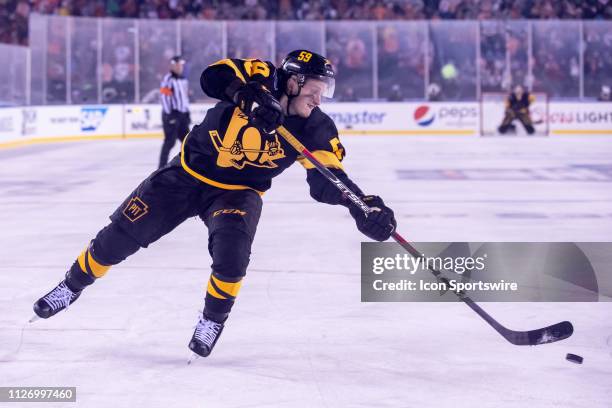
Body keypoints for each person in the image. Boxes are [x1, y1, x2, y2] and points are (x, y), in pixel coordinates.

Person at [32, 50, 396, 359]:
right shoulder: (261, 75)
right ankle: (72, 285)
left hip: (237, 193)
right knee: (119, 237)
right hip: (186, 176)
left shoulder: (315, 127)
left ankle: (212, 320)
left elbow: (326, 179)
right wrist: (246, 94)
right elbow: (214, 76)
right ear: (292, 83)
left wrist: (363, 206)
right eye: (315, 91)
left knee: (233, 255)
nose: (319, 100)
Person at [159, 55, 191, 168]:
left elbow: (185, 98)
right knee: (170, 142)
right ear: (172, 66)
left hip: (182, 115)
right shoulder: (168, 79)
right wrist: (169, 115)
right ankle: (161, 168)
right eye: (177, 65)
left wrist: (187, 113)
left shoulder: (183, 80)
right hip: (172, 114)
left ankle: (188, 166)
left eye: (181, 65)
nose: (179, 67)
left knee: (188, 142)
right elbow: (164, 98)